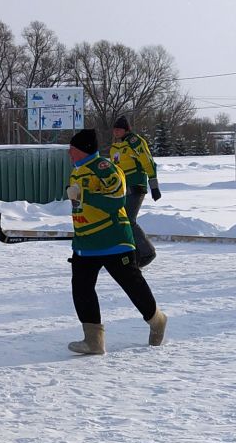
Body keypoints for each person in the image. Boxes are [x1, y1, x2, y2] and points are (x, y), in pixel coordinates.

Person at [65, 127, 168, 355]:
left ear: (84, 150)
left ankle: (157, 320)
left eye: (72, 150)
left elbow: (115, 201)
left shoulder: (105, 168)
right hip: (86, 243)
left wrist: (84, 195)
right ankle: (93, 341)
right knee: (81, 289)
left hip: (113, 239)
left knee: (132, 285)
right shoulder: (77, 171)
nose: (69, 154)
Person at [109, 116, 161, 266]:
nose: (116, 132)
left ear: (126, 130)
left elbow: (148, 162)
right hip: (122, 189)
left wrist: (154, 185)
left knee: (129, 220)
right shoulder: (115, 147)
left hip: (136, 186)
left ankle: (147, 252)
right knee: (121, 221)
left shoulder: (135, 142)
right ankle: (132, 252)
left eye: (119, 129)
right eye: (114, 129)